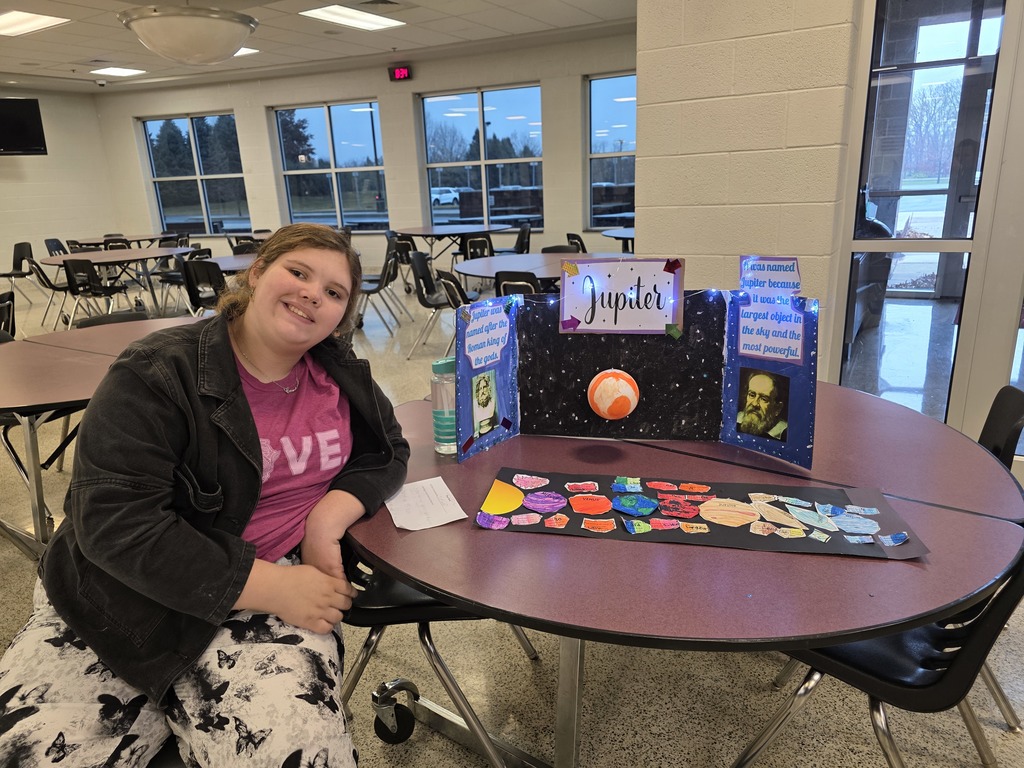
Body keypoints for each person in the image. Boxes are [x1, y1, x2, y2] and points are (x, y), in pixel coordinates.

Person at [0, 224, 410, 766]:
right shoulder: (155, 372)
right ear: (257, 273)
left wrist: (326, 519)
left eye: (335, 292)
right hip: (122, 599)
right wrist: (270, 585)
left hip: (277, 597)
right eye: (299, 272)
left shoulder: (341, 374)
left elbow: (388, 451)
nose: (315, 293)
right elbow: (114, 525)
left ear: (342, 314)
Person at [737, 370, 788, 441]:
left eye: (764, 399)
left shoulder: (785, 433)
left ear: (777, 408)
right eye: (752, 395)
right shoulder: (737, 419)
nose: (755, 404)